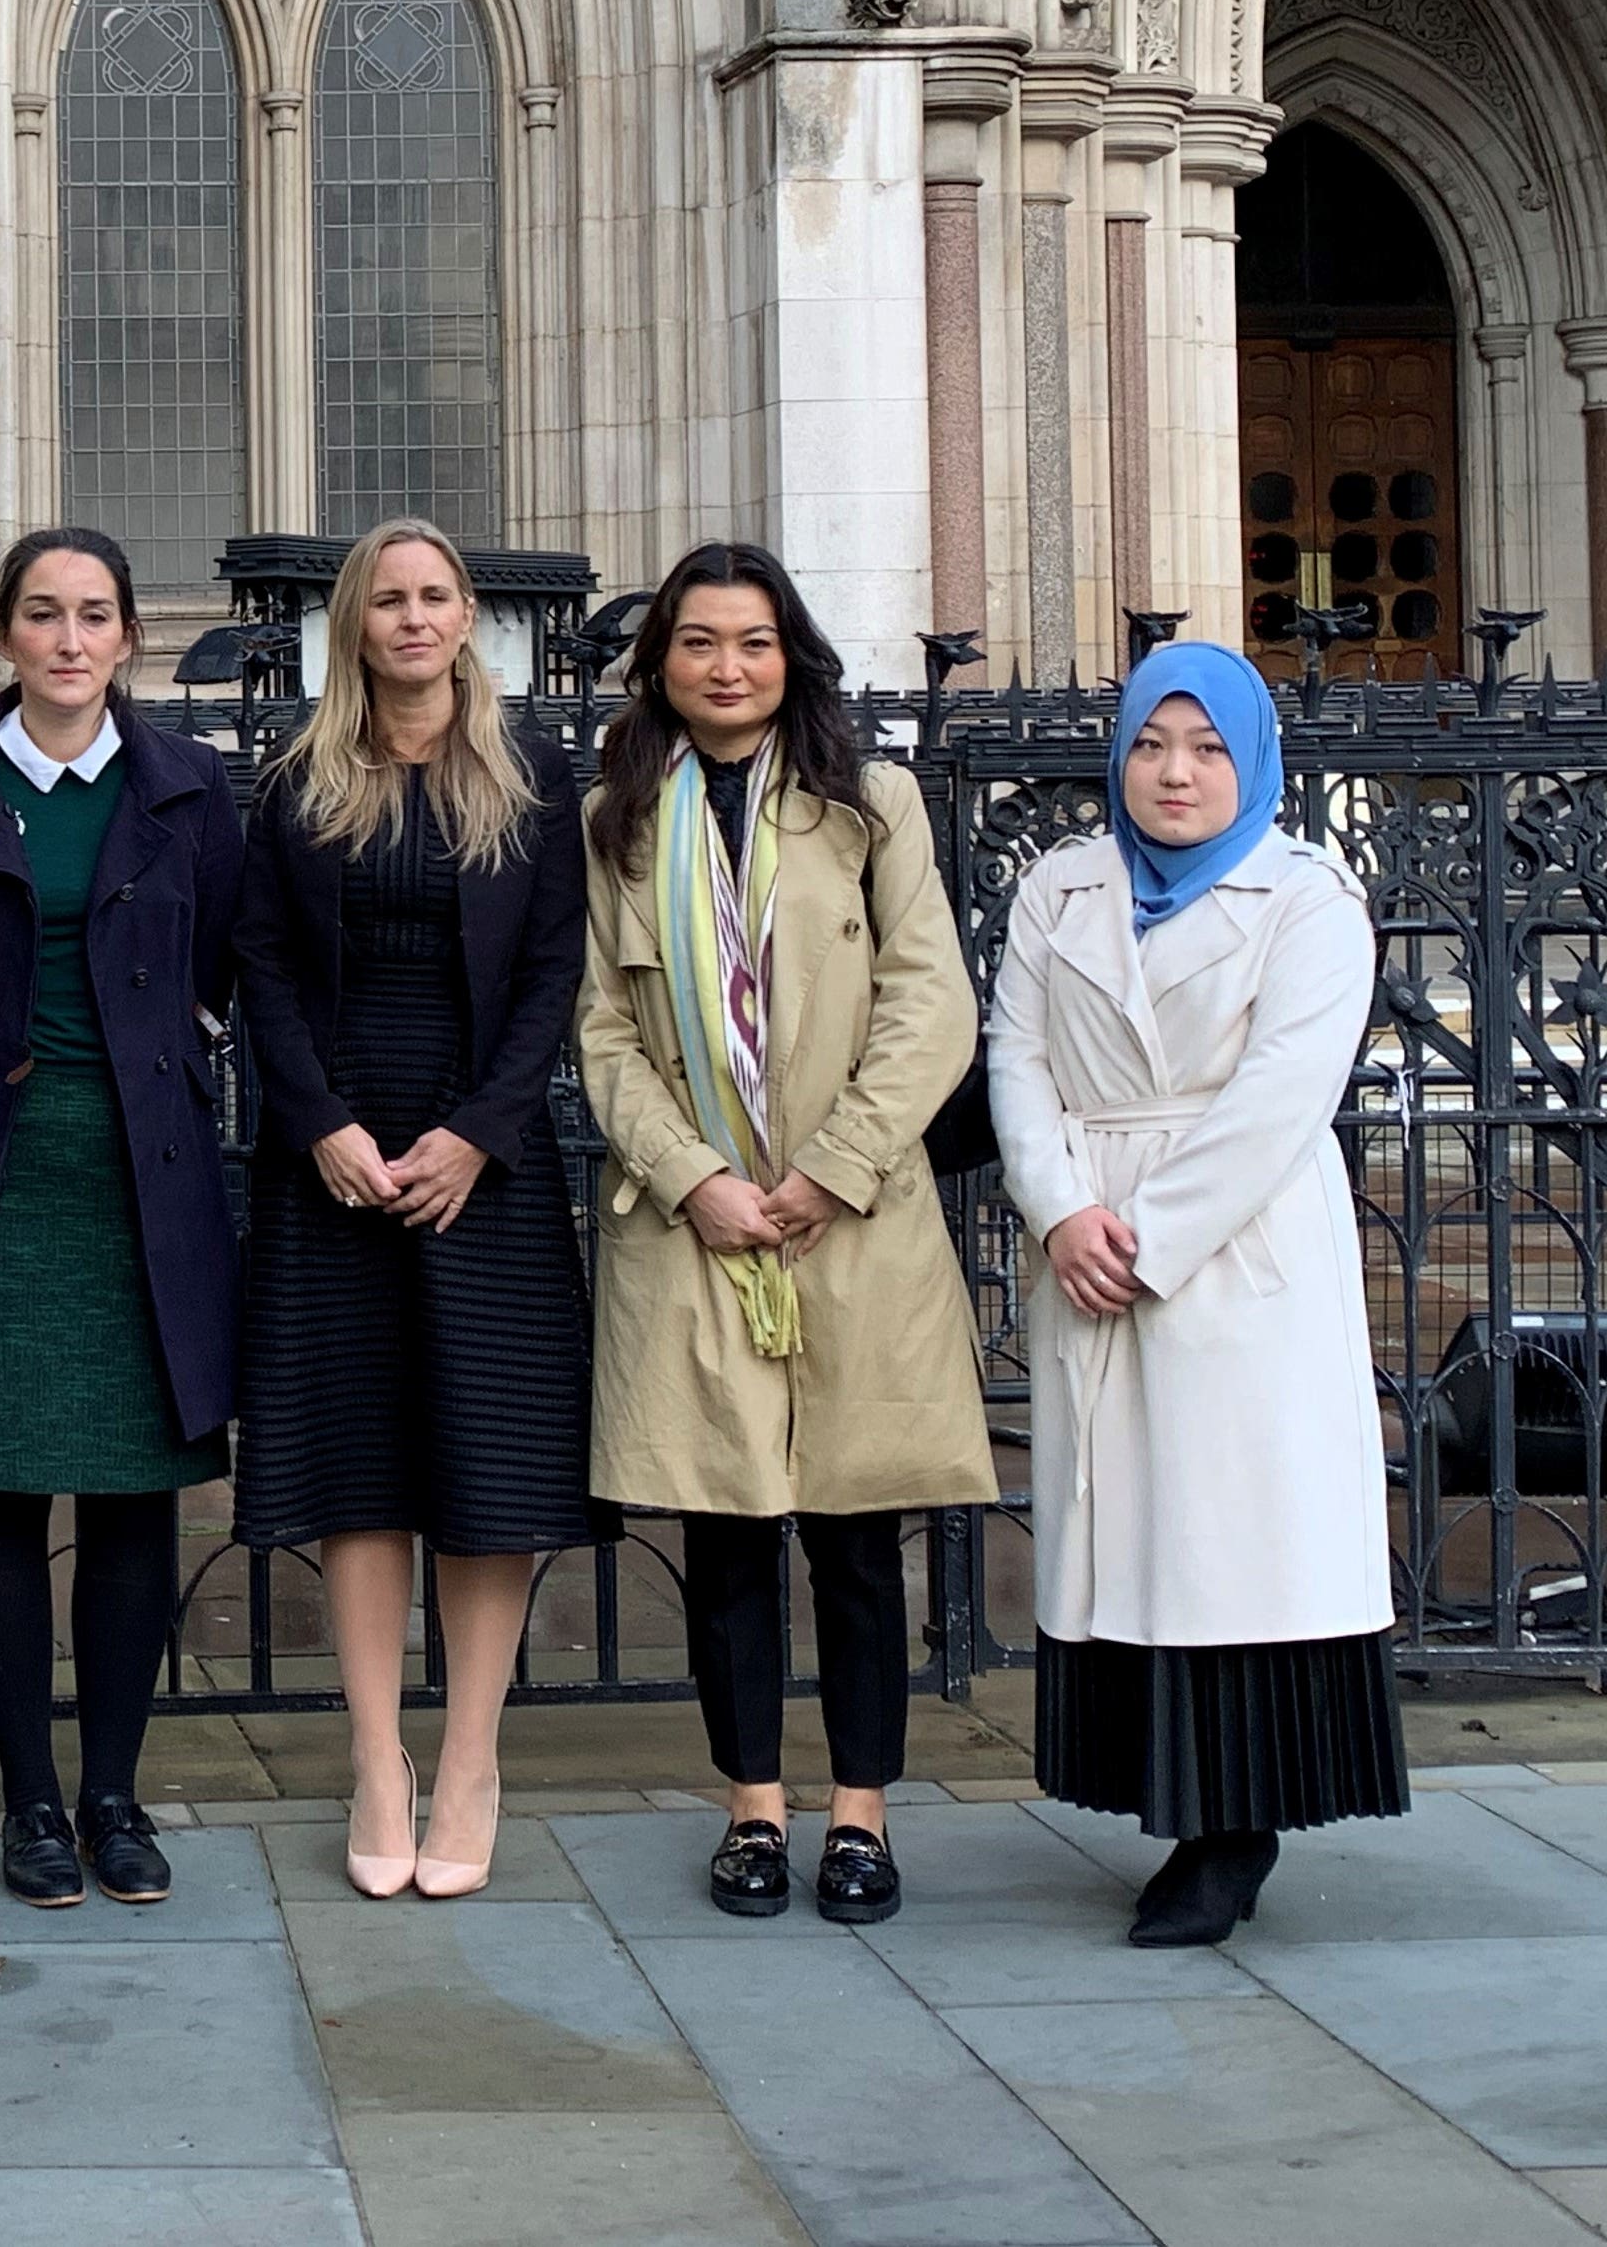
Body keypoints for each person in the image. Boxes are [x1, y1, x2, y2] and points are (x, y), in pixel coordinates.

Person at [575, 541, 991, 1927]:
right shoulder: (617, 821)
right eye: (699, 641)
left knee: (860, 1534)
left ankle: (861, 1812)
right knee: (730, 1535)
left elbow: (931, 1001)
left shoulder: (871, 803)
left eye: (752, 641)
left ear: (790, 653)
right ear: (662, 662)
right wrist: (695, 1175)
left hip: (850, 1218)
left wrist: (836, 1164)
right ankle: (753, 1803)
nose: (727, 665)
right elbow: (604, 1032)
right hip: (699, 1223)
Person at [990, 642, 1404, 1946]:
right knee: (1137, 1539)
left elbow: (1282, 1093)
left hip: (1239, 1243)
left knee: (1237, 1538)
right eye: (1153, 743)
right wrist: (1061, 1209)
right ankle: (1162, 1792)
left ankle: (1237, 1826)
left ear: (1252, 761)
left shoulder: (1312, 899)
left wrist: (1148, 1235)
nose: (1175, 771)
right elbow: (1015, 1051)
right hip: (1089, 1219)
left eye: (1208, 746)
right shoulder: (1060, 886)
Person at [0, 525, 245, 1910]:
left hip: (143, 1171)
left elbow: (218, 959)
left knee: (137, 1489)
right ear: (5, 636)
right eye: (43, 614)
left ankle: (115, 1792)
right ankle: (31, 1800)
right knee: (5, 1486)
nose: (70, 638)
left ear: (129, 636)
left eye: (96, 613)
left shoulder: (192, 789)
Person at [231, 518, 595, 1901]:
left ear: (468, 618)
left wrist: (479, 1134)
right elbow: (258, 965)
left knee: (488, 1474)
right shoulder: (296, 780)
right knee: (359, 1468)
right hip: (331, 1160)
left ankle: (470, 1761)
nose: (414, 617)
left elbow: (555, 972)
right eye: (388, 597)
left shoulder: (534, 774)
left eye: (436, 595)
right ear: (354, 622)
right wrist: (320, 1119)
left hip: (480, 1165)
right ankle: (380, 1756)